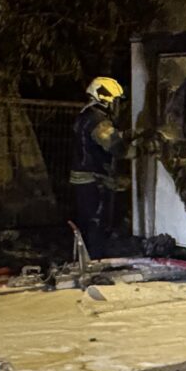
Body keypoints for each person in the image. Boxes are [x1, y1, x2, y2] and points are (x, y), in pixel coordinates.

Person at [70, 77, 138, 259]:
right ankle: (94, 262)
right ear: (104, 98)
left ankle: (84, 259)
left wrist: (127, 134)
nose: (117, 105)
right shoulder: (98, 121)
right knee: (97, 223)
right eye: (115, 100)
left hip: (82, 177)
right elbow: (117, 149)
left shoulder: (85, 115)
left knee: (86, 222)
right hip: (93, 179)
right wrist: (147, 148)